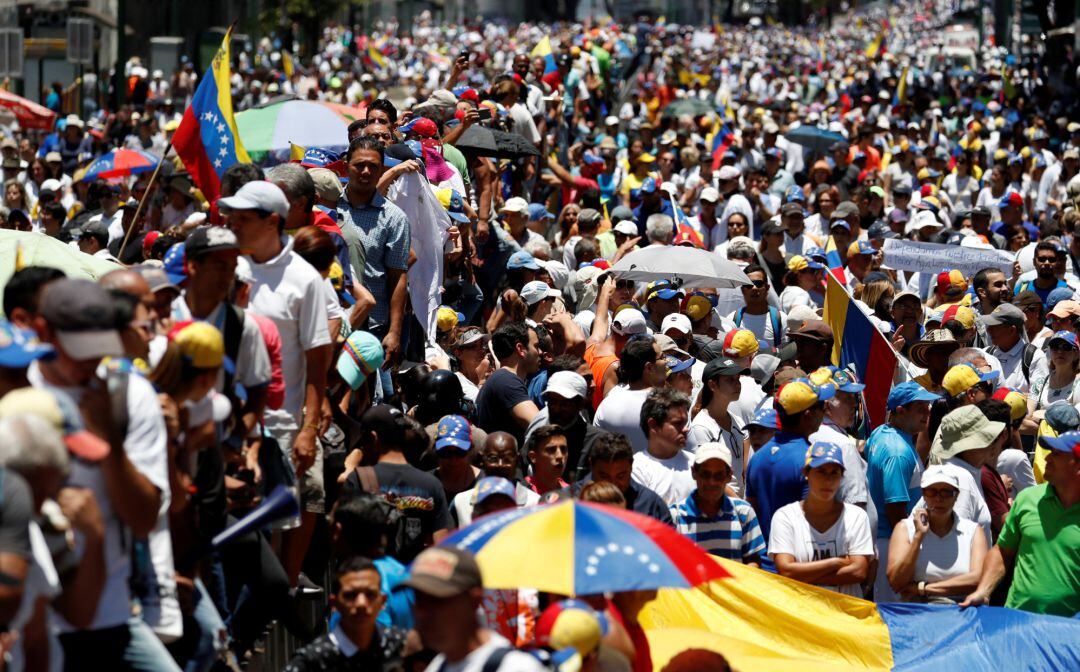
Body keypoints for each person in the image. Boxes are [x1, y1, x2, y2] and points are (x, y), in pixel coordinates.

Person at [29, 279, 174, 668]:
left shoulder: (130, 394)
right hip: (31, 621)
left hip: (109, 617)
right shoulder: (14, 391)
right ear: (44, 331)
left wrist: (108, 439)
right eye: (79, 352)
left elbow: (144, 519)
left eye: (99, 350)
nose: (91, 364)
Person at [221, 179, 332, 587]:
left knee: (272, 526)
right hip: (231, 423)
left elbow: (317, 358)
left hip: (281, 426)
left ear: (271, 221)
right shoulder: (230, 267)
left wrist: (308, 427)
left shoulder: (305, 280)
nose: (232, 222)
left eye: (242, 217)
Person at [961, 429, 1080, 617]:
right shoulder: (1027, 499)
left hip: (1067, 634)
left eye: (1057, 454)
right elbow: (1002, 551)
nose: (1047, 458)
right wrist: (983, 590)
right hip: (1017, 620)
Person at [404, 547, 547, 672]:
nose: (422, 613)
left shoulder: (515, 667)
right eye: (419, 600)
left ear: (474, 599)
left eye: (436, 600)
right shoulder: (437, 666)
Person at [342, 405, 451, 562]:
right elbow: (441, 545)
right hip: (413, 580)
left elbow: (345, 543)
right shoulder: (431, 484)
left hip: (373, 580)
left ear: (373, 438)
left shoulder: (358, 479)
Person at [337, 137, 411, 364]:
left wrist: (394, 332)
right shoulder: (329, 206)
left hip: (373, 329)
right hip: (330, 323)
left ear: (382, 170)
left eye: (373, 166)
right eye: (359, 165)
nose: (366, 171)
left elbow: (398, 276)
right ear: (345, 166)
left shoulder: (394, 218)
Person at [865, 381, 940, 602]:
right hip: (893, 542)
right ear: (900, 412)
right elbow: (895, 509)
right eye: (920, 409)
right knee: (895, 610)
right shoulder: (898, 453)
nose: (926, 414)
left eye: (927, 408)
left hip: (887, 539)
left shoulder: (880, 432)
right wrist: (908, 547)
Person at [768, 443, 874, 597]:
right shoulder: (785, 517)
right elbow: (785, 570)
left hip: (844, 615)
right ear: (806, 473)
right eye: (821, 472)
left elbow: (859, 571)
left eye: (834, 473)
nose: (828, 480)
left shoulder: (856, 517)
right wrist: (835, 562)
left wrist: (802, 575)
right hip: (802, 614)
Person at [745, 377, 833, 543]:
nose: (825, 411)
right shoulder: (811, 459)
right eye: (821, 407)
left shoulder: (756, 458)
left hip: (763, 562)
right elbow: (814, 524)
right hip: (797, 562)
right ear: (808, 415)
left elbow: (751, 517)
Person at [283, 557, 406, 671]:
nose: (361, 604)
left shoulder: (404, 648)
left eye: (370, 594)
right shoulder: (310, 662)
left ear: (383, 601)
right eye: (350, 595)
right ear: (335, 603)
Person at [886, 466, 988, 603]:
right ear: (923, 494)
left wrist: (922, 588)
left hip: (962, 610)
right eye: (931, 492)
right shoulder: (905, 528)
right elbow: (896, 581)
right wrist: (918, 537)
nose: (938, 499)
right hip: (917, 612)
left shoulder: (973, 531)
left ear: (956, 495)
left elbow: (978, 579)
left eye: (946, 492)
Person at [669, 443, 766, 565]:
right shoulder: (675, 516)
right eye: (705, 474)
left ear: (729, 476)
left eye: (718, 475)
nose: (711, 482)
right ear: (694, 473)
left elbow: (754, 560)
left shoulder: (743, 512)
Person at [594, 335, 668, 453]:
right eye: (662, 357)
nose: (666, 361)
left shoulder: (606, 404)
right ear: (649, 368)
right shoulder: (668, 405)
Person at [689, 357, 751, 495]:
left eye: (738, 379)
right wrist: (738, 503)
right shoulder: (701, 427)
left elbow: (745, 469)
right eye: (730, 380)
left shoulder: (738, 421)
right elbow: (707, 476)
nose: (737, 384)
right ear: (712, 385)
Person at [451, 432, 540, 527]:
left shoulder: (535, 503)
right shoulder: (460, 502)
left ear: (517, 461)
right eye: (493, 459)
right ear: (481, 460)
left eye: (507, 459)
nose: (500, 465)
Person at [475, 322, 540, 445]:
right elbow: (540, 425)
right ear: (520, 349)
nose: (540, 352)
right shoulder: (507, 382)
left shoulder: (502, 379)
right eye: (536, 346)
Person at [631, 388, 695, 505]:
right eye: (677, 423)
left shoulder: (696, 463)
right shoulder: (636, 469)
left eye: (685, 423)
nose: (686, 429)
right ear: (653, 425)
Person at [981, 303, 1047, 393]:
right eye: (989, 326)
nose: (989, 330)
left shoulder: (1035, 357)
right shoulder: (984, 355)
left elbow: (1036, 396)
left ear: (1012, 330)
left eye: (995, 327)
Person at [524, 424, 569, 495]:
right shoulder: (521, 492)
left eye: (563, 449)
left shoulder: (573, 494)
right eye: (551, 450)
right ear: (533, 457)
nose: (560, 456)